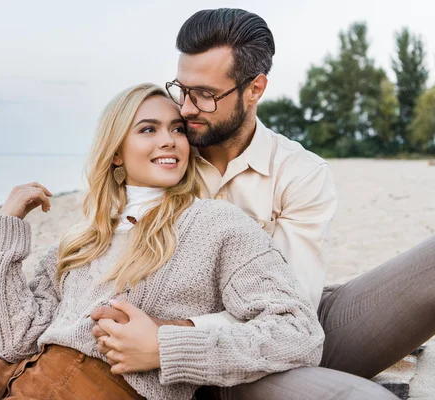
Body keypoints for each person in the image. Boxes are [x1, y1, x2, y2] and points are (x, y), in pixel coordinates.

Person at [0, 84, 327, 400]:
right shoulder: (83, 240)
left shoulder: (218, 224)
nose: (170, 140)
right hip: (10, 378)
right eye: (148, 129)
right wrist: (8, 229)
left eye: (177, 129)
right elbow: (15, 340)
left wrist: (167, 347)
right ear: (116, 153)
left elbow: (298, 333)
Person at [92, 8, 434, 400]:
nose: (185, 109)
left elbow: (294, 311)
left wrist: (171, 334)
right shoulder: (166, 158)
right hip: (205, 367)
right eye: (181, 89)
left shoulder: (300, 172)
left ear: (254, 89)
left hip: (278, 334)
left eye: (204, 95)